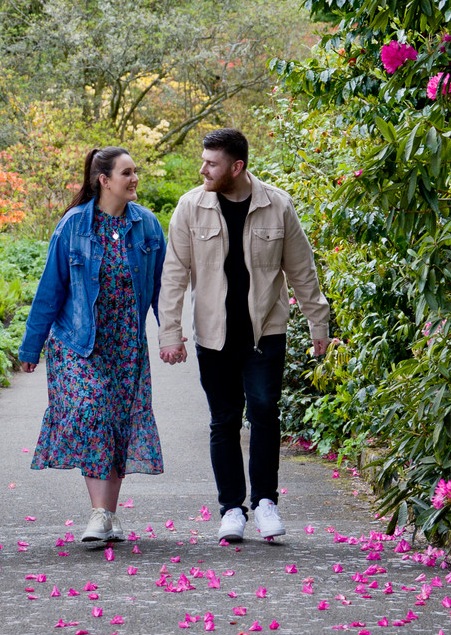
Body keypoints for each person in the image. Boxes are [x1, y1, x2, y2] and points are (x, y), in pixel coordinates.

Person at [157, 127, 329, 545]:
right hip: (213, 335)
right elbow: (174, 275)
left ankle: (266, 502)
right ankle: (232, 508)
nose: (203, 169)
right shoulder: (189, 207)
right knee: (224, 420)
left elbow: (302, 270)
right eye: (203, 161)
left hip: (264, 330)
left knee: (266, 413)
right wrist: (170, 333)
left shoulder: (277, 205)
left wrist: (317, 324)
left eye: (211, 163)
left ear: (237, 167)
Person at [17, 146, 166, 548]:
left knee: (116, 426)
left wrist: (169, 333)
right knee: (93, 412)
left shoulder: (148, 227)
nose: (135, 179)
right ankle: (100, 514)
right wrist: (32, 348)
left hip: (126, 347)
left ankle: (108, 516)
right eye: (127, 173)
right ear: (104, 180)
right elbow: (50, 289)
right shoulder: (73, 227)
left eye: (135, 172)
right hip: (78, 344)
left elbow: (163, 291)